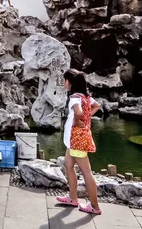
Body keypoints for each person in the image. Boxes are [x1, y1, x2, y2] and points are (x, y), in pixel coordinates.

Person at [56, 69, 102, 215]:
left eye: (64, 81)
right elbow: (97, 106)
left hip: (76, 140)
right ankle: (73, 198)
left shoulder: (75, 97)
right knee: (68, 165)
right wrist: (86, 118)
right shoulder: (86, 97)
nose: (64, 83)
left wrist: (78, 120)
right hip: (75, 140)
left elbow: (78, 112)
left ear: (69, 82)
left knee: (86, 172)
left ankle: (95, 207)